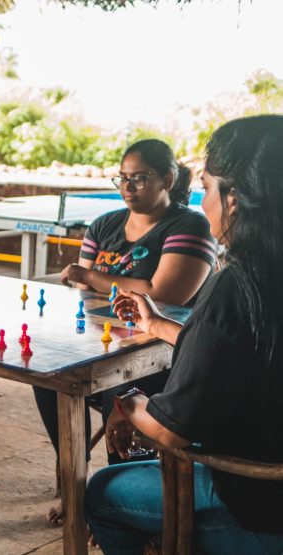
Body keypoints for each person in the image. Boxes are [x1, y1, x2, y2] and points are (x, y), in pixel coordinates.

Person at [86, 115, 283, 554]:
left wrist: (126, 402)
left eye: (208, 188)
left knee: (103, 491)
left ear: (234, 200)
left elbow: (168, 430)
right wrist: (156, 325)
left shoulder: (238, 284)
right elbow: (242, 348)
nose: (202, 201)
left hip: (258, 506)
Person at [36, 139, 217, 524]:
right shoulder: (104, 224)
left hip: (163, 351)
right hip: (100, 339)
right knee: (48, 374)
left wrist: (92, 276)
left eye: (140, 178)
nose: (128, 187)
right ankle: (77, 479)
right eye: (123, 178)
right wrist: (94, 282)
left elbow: (164, 294)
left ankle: (119, 503)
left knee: (119, 387)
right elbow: (82, 293)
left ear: (168, 179)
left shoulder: (191, 225)